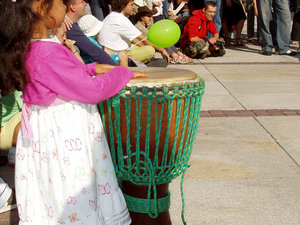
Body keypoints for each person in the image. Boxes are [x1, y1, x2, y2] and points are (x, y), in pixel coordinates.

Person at [0, 0, 147, 225]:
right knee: (73, 185)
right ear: (42, 7)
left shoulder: (34, 45)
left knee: (54, 185)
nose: (64, 5)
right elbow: (91, 91)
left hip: (50, 131)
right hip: (65, 135)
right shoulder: (46, 51)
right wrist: (121, 74)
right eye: (60, 1)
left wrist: (92, 68)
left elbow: (58, 76)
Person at [97, 0, 171, 67]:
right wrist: (162, 50)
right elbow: (145, 39)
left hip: (112, 51)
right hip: (116, 55)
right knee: (150, 50)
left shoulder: (111, 16)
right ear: (123, 7)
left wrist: (142, 47)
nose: (134, 7)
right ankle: (135, 63)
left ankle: (140, 62)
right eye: (132, 5)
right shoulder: (120, 19)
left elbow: (136, 39)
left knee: (141, 46)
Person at [64, 0, 117, 65]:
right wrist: (117, 68)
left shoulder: (69, 24)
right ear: (72, 7)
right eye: (82, 2)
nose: (86, 4)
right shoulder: (69, 27)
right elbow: (93, 51)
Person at [0, 91, 22, 167]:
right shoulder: (18, 91)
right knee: (32, 112)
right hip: (2, 137)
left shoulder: (9, 87)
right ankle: (13, 153)